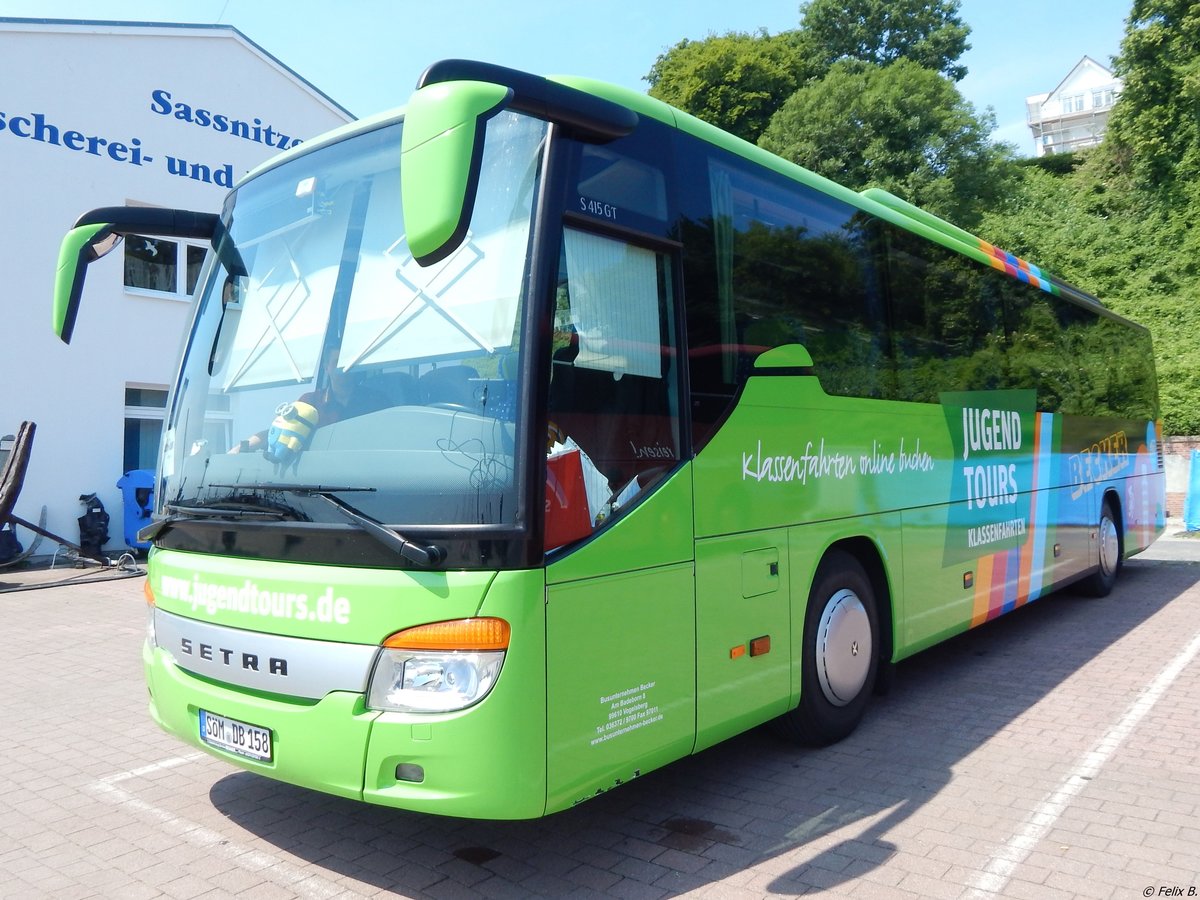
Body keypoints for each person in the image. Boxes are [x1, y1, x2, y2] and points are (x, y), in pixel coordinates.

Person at [231, 356, 387, 461]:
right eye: (336, 362)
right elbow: (282, 432)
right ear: (326, 367)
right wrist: (240, 448)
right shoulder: (310, 402)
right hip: (319, 485)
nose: (342, 368)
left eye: (347, 361)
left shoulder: (377, 401)